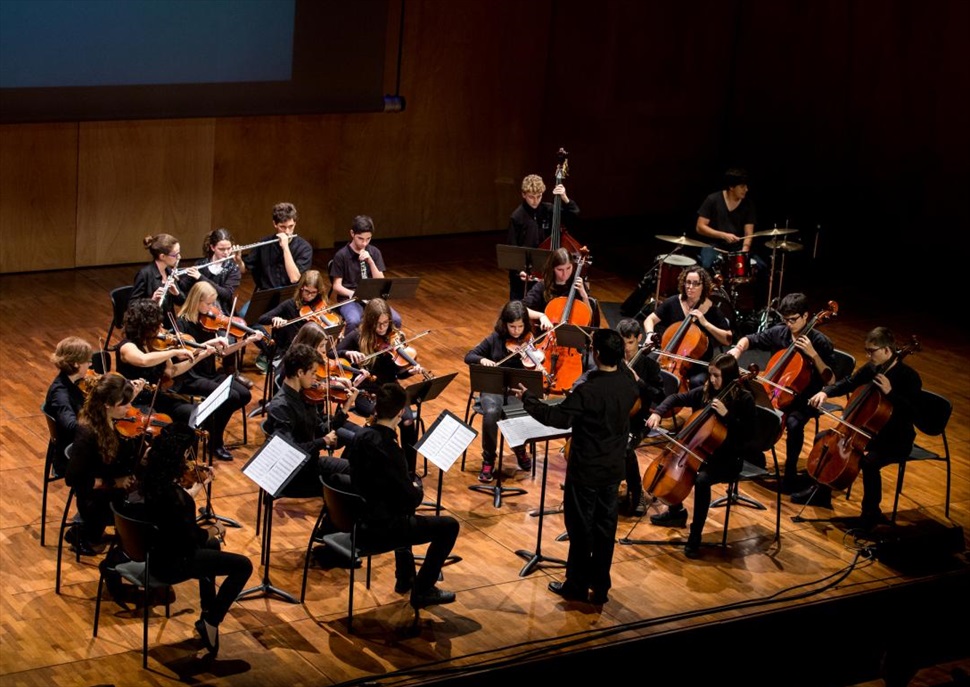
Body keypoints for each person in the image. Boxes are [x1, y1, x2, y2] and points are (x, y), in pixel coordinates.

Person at [511, 328, 638, 605]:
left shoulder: (589, 391)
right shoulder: (628, 384)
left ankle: (577, 586)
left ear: (596, 354)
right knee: (605, 531)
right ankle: (601, 588)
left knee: (581, 530)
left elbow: (556, 417)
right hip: (613, 469)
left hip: (586, 471)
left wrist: (528, 400)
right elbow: (624, 372)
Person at [140, 423, 253, 658]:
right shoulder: (176, 497)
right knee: (243, 565)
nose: (186, 462)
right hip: (172, 563)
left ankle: (206, 609)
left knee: (212, 547)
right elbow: (188, 539)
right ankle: (212, 620)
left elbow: (176, 524)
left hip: (154, 551)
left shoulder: (150, 481)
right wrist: (213, 530)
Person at [349, 382, 459, 609]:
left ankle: (405, 576)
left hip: (357, 520)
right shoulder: (390, 450)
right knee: (449, 526)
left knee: (400, 506)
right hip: (380, 528)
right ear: (400, 412)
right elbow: (409, 498)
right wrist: (417, 488)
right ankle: (423, 589)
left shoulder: (360, 437)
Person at [804, 327, 922, 524]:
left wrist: (890, 392)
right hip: (867, 433)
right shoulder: (872, 368)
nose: (868, 355)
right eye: (867, 350)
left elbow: (913, 412)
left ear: (887, 350)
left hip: (895, 439)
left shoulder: (908, 377)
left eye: (872, 351)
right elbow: (850, 382)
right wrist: (826, 392)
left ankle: (871, 513)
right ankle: (821, 494)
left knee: (869, 463)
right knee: (822, 439)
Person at [644, 354, 756, 557]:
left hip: (729, 458)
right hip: (701, 453)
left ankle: (695, 535)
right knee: (680, 470)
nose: (711, 380)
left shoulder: (744, 399)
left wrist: (727, 415)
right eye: (710, 374)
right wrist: (658, 412)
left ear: (730, 377)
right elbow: (676, 398)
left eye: (716, 376)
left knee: (701, 480)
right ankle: (676, 512)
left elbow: (747, 436)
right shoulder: (707, 392)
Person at [726, 292, 835, 494]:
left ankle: (791, 472)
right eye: (786, 319)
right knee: (747, 404)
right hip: (776, 391)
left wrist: (813, 355)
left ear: (806, 316)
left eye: (793, 320)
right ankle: (752, 453)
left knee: (793, 423)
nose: (789, 324)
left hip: (806, 398)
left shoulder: (820, 342)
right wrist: (737, 350)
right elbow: (750, 339)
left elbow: (832, 380)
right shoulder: (780, 332)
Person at [176, 282, 262, 460]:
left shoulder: (209, 321)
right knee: (231, 396)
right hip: (190, 376)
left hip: (209, 373)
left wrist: (245, 341)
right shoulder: (182, 323)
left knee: (244, 394)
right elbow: (184, 356)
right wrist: (207, 345)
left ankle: (211, 425)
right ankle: (216, 441)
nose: (212, 308)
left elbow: (222, 352)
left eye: (214, 303)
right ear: (196, 301)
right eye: (209, 303)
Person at [336, 298, 423, 473]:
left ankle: (409, 471)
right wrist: (348, 352)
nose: (383, 328)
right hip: (366, 392)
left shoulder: (396, 338)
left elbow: (399, 373)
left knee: (407, 421)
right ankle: (381, 465)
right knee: (383, 422)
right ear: (369, 321)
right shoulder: (357, 336)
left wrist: (410, 372)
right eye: (378, 324)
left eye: (386, 323)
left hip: (391, 390)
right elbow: (333, 352)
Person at [263, 343, 361, 497]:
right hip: (296, 475)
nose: (317, 378)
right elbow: (290, 451)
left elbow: (323, 429)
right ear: (300, 372)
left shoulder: (305, 396)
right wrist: (323, 441)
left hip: (312, 464)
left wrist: (345, 409)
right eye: (314, 373)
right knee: (352, 486)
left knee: (362, 472)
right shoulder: (280, 407)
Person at [64, 374, 143, 555]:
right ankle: (84, 535)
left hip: (113, 488)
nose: (129, 407)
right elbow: (73, 478)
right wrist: (115, 482)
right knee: (146, 507)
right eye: (124, 404)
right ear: (108, 404)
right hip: (96, 500)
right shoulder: (88, 433)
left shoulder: (110, 419)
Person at [463, 301, 538, 483]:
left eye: (520, 326)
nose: (516, 331)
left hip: (516, 390)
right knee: (491, 413)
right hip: (493, 388)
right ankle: (488, 459)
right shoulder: (495, 338)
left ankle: (519, 448)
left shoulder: (529, 339)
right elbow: (469, 356)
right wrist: (483, 361)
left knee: (520, 412)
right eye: (512, 327)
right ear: (505, 324)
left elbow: (535, 364)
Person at [116, 298, 219, 426]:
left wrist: (200, 356)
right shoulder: (127, 346)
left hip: (156, 398)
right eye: (157, 325)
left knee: (194, 413)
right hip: (133, 401)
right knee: (160, 424)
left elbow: (171, 371)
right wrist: (173, 352)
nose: (162, 327)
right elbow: (143, 360)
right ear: (145, 326)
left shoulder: (157, 345)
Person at [643, 265, 733, 390]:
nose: (690, 287)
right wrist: (649, 334)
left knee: (698, 382)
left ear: (704, 286)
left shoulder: (712, 310)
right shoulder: (674, 301)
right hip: (669, 354)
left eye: (696, 284)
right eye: (688, 282)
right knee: (646, 364)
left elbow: (727, 339)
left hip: (697, 362)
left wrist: (705, 323)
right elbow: (650, 319)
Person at [615, 319, 665, 516]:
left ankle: (637, 494)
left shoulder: (650, 366)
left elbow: (659, 395)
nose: (626, 349)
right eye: (622, 343)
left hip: (638, 420)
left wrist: (639, 381)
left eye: (630, 343)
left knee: (626, 449)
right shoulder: (615, 360)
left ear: (639, 339)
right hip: (614, 416)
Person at [506, 173, 579, 300]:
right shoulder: (517, 217)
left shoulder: (549, 210)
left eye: (539, 196)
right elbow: (512, 250)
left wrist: (564, 197)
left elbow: (574, 214)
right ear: (524, 195)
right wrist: (519, 271)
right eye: (531, 197)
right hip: (526, 273)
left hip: (547, 270)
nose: (535, 201)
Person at [329, 215, 402, 335]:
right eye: (360, 238)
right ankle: (351, 349)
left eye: (368, 239)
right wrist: (354, 294)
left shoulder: (374, 252)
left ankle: (386, 347)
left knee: (396, 320)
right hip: (350, 298)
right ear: (352, 233)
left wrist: (371, 261)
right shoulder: (341, 255)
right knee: (353, 321)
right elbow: (337, 286)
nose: (364, 243)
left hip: (372, 298)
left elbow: (381, 281)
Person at [258, 269, 340, 360]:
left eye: (313, 293)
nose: (309, 296)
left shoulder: (321, 304)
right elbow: (262, 318)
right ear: (301, 288)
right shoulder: (290, 304)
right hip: (292, 350)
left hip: (312, 350)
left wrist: (335, 331)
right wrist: (274, 319)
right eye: (307, 291)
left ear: (319, 292)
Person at [45, 336, 94, 477]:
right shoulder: (60, 393)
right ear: (76, 364)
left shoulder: (76, 382)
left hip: (82, 442)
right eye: (88, 361)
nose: (90, 365)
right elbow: (72, 426)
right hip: (71, 452)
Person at [242, 202, 313, 292]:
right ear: (275, 224)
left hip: (292, 295)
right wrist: (238, 259)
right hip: (266, 293)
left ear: (295, 223)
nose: (287, 231)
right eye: (282, 227)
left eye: (291, 226)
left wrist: (285, 247)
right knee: (246, 307)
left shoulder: (305, 248)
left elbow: (294, 278)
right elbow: (243, 269)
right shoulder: (264, 243)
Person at [695, 168, 757, 271]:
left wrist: (743, 253)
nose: (746, 189)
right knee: (707, 265)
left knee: (760, 267)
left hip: (737, 249)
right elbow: (700, 227)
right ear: (731, 187)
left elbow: (748, 234)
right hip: (714, 247)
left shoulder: (748, 205)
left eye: (746, 186)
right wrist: (723, 235)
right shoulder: (712, 200)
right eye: (742, 186)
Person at [131, 233, 188, 318]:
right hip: (149, 323)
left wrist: (176, 293)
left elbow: (182, 303)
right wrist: (152, 301)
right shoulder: (144, 274)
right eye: (175, 254)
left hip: (168, 321)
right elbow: (132, 306)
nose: (179, 257)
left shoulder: (169, 271)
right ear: (162, 256)